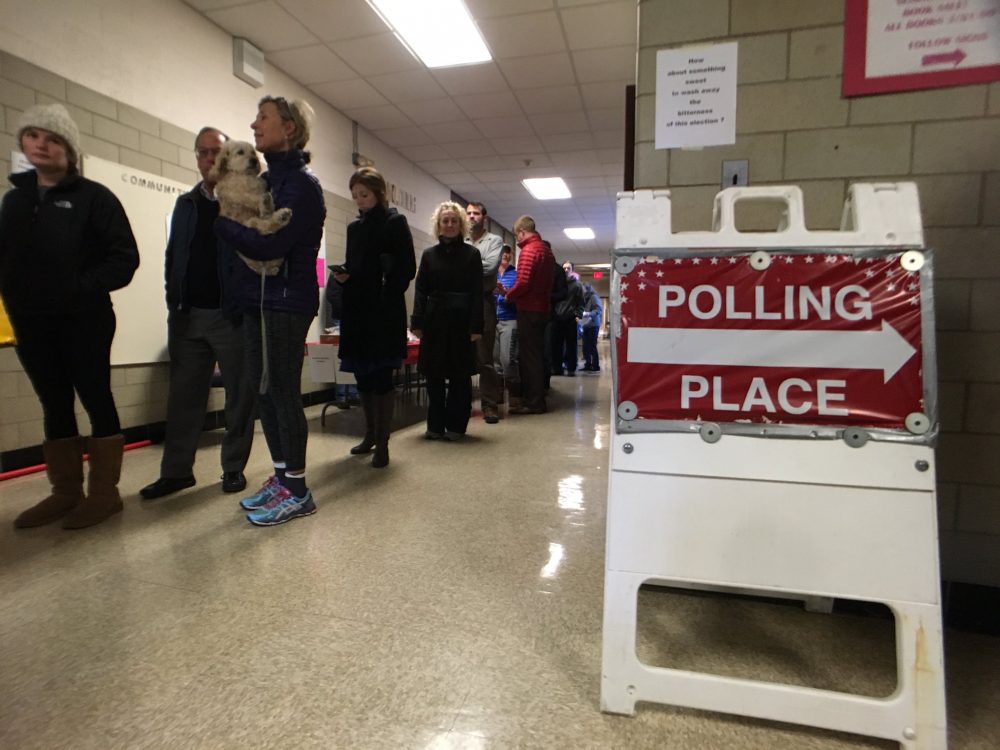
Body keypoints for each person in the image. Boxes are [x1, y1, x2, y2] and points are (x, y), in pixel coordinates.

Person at [1, 103, 139, 529]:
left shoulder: (95, 198)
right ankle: (64, 492)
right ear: (23, 142)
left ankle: (104, 494)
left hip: (84, 318)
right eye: (34, 135)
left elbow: (124, 259)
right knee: (53, 401)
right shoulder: (14, 202)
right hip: (30, 321)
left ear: (70, 150)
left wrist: (78, 287)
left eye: (53, 138)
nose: (42, 144)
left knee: (97, 397)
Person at [215, 96, 326, 526]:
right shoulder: (269, 180)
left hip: (285, 302)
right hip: (260, 299)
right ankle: (281, 477)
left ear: (290, 128)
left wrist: (222, 224)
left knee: (282, 391)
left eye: (264, 118)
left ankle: (298, 490)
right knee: (263, 391)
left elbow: (270, 244)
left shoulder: (301, 185)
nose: (254, 124)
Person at [139, 127, 256, 500]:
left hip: (231, 316)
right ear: (197, 156)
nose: (209, 159)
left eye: (217, 152)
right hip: (188, 316)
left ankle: (233, 468)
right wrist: (174, 300)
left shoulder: (243, 203)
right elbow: (174, 256)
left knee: (240, 395)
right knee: (184, 399)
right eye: (203, 152)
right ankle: (176, 472)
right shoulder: (186, 204)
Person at [332, 167, 416, 467]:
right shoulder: (354, 228)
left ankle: (383, 443)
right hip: (357, 310)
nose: (359, 201)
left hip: (383, 310)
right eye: (355, 196)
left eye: (364, 195)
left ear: (379, 193)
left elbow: (408, 269)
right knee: (363, 377)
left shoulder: (395, 222)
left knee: (381, 377)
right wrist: (345, 275)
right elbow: (356, 265)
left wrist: (386, 278)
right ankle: (369, 435)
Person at [411, 203, 483, 440]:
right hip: (434, 322)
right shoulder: (429, 255)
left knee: (460, 377)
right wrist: (417, 323)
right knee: (434, 376)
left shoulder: (472, 254)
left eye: (454, 221)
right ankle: (435, 425)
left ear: (461, 224)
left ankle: (455, 426)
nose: (450, 225)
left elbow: (477, 292)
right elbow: (421, 290)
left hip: (461, 323)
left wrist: (476, 326)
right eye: (445, 221)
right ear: (439, 225)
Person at [504, 216, 553, 415]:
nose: (517, 239)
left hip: (529, 309)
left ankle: (533, 403)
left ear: (522, 231)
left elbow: (523, 282)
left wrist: (509, 294)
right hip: (542, 308)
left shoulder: (529, 250)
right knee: (537, 356)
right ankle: (537, 398)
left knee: (529, 358)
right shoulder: (546, 251)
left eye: (517, 235)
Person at [466, 202, 504, 424]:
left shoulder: (495, 241)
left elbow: (490, 268)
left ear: (484, 217)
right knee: (462, 356)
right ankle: (462, 403)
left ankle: (490, 405)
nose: (471, 217)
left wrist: (464, 265)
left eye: (476, 213)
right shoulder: (460, 239)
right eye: (468, 213)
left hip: (483, 303)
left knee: (485, 358)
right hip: (462, 303)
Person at [493, 245, 520, 409]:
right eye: (502, 253)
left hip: (510, 319)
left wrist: (505, 294)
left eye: (508, 253)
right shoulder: (491, 273)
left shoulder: (516, 274)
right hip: (493, 320)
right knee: (495, 360)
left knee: (508, 360)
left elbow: (519, 299)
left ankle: (515, 395)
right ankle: (497, 395)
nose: (505, 255)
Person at [551, 262, 585, 376]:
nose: (566, 270)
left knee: (571, 345)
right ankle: (557, 368)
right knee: (556, 345)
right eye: (564, 268)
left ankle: (571, 368)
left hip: (570, 318)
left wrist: (577, 315)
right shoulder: (556, 284)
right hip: (557, 317)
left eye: (568, 268)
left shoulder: (577, 285)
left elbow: (581, 302)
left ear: (572, 270)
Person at [579, 282, 603, 372]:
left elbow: (598, 309)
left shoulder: (593, 297)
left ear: (587, 289)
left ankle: (595, 366)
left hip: (593, 325)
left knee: (592, 346)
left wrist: (588, 313)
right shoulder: (585, 298)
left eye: (583, 289)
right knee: (586, 346)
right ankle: (588, 364)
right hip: (586, 325)